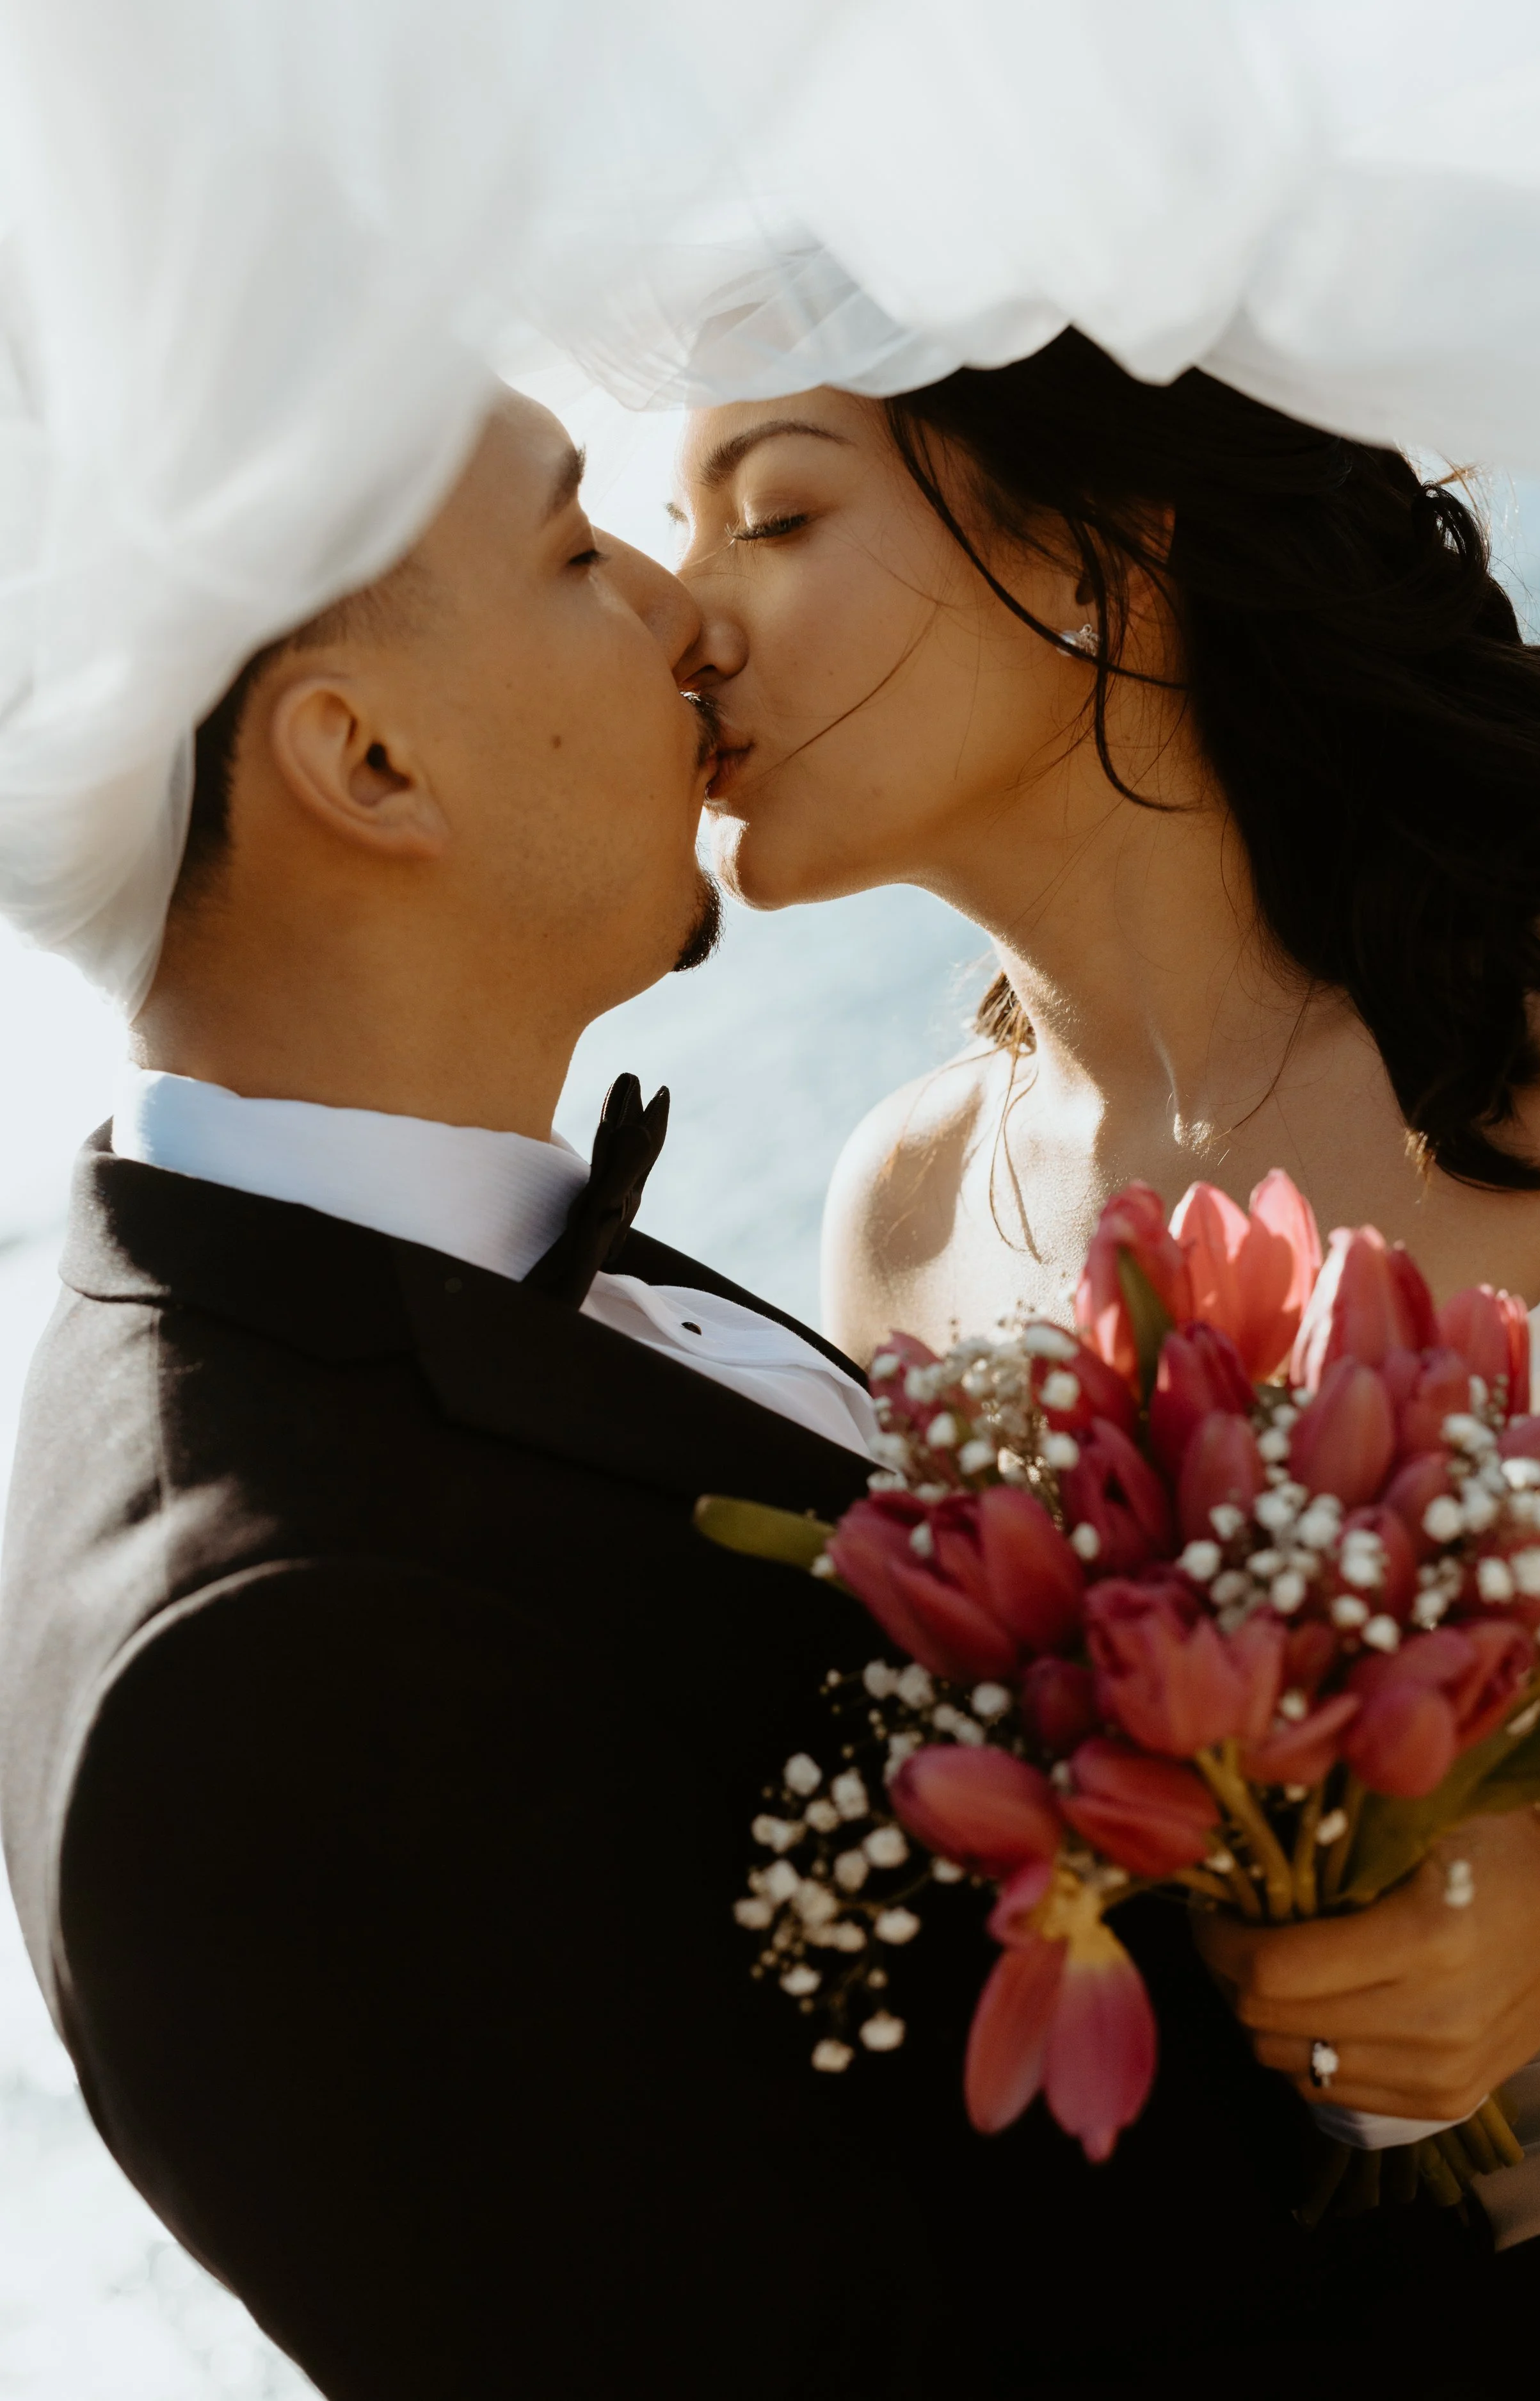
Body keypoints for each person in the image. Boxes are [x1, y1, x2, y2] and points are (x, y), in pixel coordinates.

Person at [0, 390, 957, 2400]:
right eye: (572, 551)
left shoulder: (429, 1274)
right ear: (365, 758)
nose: (687, 615)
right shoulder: (252, 1665)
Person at [671, 330, 1540, 2352]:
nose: (684, 612)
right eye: (669, 536)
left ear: (1107, 535)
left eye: (775, 512)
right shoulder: (897, 1221)